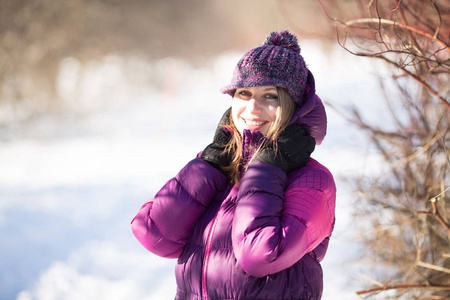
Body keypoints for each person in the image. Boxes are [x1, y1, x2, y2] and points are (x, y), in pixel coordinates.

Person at [131, 30, 336, 300]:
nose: (252, 107)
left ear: (293, 106)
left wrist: (268, 167)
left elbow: (259, 254)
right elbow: (154, 233)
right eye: (244, 93)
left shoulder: (313, 181)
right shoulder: (221, 167)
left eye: (270, 96)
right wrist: (209, 163)